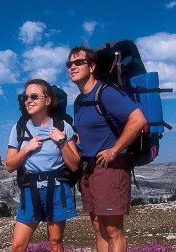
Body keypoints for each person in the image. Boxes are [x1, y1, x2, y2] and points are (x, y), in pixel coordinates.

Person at [67, 45, 147, 252]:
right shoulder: (79, 101)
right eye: (69, 64)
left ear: (92, 66)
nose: (72, 67)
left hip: (110, 169)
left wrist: (114, 149)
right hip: (89, 169)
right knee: (97, 226)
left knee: (113, 230)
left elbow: (138, 120)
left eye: (78, 62)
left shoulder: (106, 92)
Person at [6, 78, 80, 252]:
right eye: (26, 97)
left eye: (34, 96)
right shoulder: (19, 128)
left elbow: (75, 164)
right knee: (17, 245)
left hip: (57, 189)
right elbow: (10, 165)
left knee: (55, 242)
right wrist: (27, 149)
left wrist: (62, 141)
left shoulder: (63, 127)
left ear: (47, 101)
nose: (28, 101)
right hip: (30, 188)